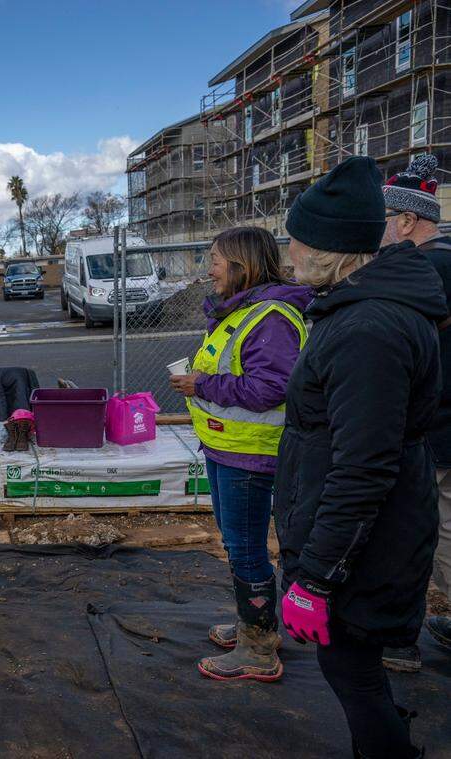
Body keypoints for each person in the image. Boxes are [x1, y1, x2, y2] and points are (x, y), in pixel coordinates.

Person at [276, 156, 444, 758]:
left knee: (354, 675)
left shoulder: (366, 329)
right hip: (367, 539)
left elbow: (363, 468)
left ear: (326, 249)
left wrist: (317, 578)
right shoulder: (355, 310)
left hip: (364, 547)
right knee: (358, 672)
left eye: (294, 241)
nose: (288, 253)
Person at [170, 226, 311, 683]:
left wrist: (200, 384)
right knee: (238, 544)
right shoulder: (242, 312)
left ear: (241, 264)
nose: (208, 269)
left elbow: (272, 387)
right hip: (228, 449)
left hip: (250, 456)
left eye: (214, 259)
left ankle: (258, 649)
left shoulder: (269, 317)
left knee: (247, 548)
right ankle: (257, 626)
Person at [381, 153, 451, 670]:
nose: (378, 231)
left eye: (384, 219)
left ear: (407, 220)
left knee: (425, 532)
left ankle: (399, 639)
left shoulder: (421, 270)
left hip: (435, 430)